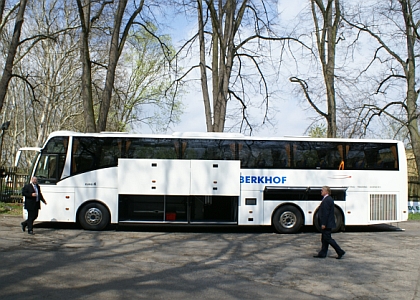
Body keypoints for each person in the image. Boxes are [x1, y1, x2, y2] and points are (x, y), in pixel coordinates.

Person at [313, 186, 345, 259]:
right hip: (327, 223)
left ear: (326, 192)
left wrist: (323, 223)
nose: (321, 192)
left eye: (322, 190)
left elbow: (326, 213)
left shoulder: (327, 200)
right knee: (324, 239)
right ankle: (322, 253)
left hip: (327, 224)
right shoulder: (327, 199)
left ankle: (340, 251)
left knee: (328, 239)